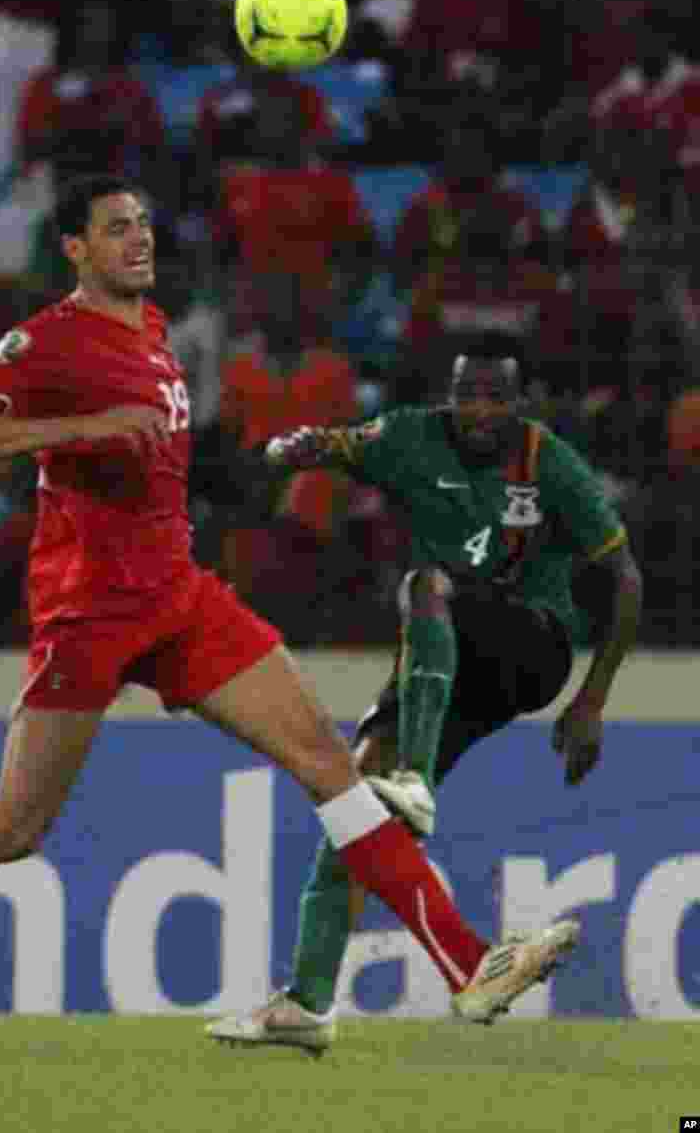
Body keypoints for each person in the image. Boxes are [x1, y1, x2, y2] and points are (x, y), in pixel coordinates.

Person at [0, 178, 577, 1024]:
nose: (138, 238)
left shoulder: (151, 328)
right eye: (115, 228)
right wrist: (80, 428)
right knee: (9, 830)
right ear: (75, 248)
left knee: (330, 764)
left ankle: (468, 966)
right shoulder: (46, 341)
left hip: (180, 598)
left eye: (142, 223)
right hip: (90, 612)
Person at [205, 332, 642, 1053]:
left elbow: (625, 578)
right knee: (352, 805)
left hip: (530, 647)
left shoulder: (549, 462)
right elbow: (336, 444)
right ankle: (308, 1001)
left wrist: (593, 700)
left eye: (496, 396)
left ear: (522, 401)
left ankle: (413, 776)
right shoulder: (410, 436)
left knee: (423, 585)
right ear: (449, 394)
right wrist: (294, 448)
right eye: (467, 393)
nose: (479, 410)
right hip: (445, 659)